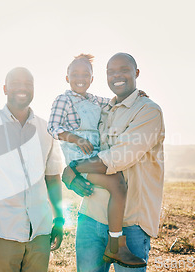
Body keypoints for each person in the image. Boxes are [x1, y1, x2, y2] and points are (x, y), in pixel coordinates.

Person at [62, 53, 165, 272]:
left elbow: (119, 157)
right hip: (91, 215)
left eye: (124, 70)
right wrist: (73, 172)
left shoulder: (148, 111)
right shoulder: (104, 110)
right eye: (111, 72)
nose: (117, 76)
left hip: (131, 223)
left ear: (136, 73)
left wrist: (73, 169)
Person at [47, 54, 146, 267]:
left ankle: (114, 241)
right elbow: (53, 127)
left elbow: (116, 102)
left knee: (118, 185)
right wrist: (75, 137)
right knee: (117, 185)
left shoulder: (95, 101)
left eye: (85, 74)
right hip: (78, 158)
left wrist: (138, 96)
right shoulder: (63, 100)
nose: (80, 78)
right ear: (66, 77)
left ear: (92, 79)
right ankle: (116, 245)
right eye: (75, 74)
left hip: (95, 156)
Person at [0, 67, 64, 272]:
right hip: (2, 231)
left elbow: (53, 178)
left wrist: (60, 219)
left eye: (28, 84)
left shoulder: (47, 130)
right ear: (4, 89)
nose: (22, 88)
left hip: (40, 231)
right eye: (16, 83)